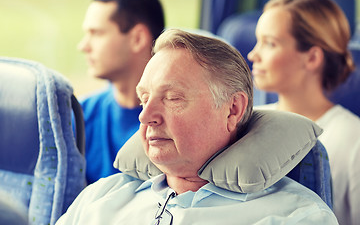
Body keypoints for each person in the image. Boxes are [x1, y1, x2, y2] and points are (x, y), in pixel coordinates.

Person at [56, 29, 337, 224]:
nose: (146, 116)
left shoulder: (296, 217)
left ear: (232, 109)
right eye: (144, 99)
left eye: (173, 98)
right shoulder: (100, 198)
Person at [247, 0, 360, 225]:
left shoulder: (353, 139)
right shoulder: (249, 122)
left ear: (312, 58)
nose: (253, 54)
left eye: (270, 43)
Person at [77, 0, 165, 184]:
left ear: (137, 39)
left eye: (96, 33)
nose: (83, 46)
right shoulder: (80, 116)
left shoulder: (174, 126)